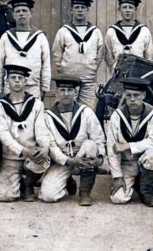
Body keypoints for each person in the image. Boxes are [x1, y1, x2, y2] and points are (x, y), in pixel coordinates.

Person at [38, 75, 105, 206]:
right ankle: (67, 180)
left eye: (70, 90)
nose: (66, 94)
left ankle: (85, 192)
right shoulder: (48, 116)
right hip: (62, 160)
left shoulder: (86, 112)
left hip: (82, 157)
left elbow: (99, 139)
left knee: (90, 145)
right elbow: (51, 145)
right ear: (57, 92)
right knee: (48, 196)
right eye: (62, 90)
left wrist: (100, 158)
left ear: (76, 92)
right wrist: (68, 161)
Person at [0, 64, 49, 202]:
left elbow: (41, 130)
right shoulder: (0, 107)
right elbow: (4, 136)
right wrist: (23, 151)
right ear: (7, 82)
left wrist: (44, 147)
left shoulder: (36, 104)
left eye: (20, 78)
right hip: (11, 157)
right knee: (5, 196)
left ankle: (28, 185)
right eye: (13, 78)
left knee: (43, 160)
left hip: (32, 154)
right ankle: (15, 181)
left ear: (25, 81)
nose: (17, 81)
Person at [106, 77, 153, 207]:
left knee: (152, 154)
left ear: (143, 95)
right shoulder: (117, 116)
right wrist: (117, 176)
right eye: (128, 95)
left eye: (136, 95)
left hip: (146, 160)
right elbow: (111, 148)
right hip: (127, 164)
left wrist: (128, 146)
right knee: (118, 198)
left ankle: (146, 192)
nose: (132, 99)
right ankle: (135, 182)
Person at [0, 0, 51, 100]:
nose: (21, 14)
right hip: (10, 87)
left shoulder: (40, 37)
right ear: (13, 15)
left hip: (32, 86)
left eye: (24, 11)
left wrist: (44, 88)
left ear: (30, 13)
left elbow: (46, 64)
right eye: (18, 11)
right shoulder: (6, 37)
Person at [51, 0, 104, 109]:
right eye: (77, 7)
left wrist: (93, 68)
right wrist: (63, 70)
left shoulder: (95, 32)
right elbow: (57, 53)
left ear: (87, 10)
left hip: (88, 81)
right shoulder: (63, 31)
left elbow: (100, 54)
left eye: (83, 7)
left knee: (88, 111)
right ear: (71, 10)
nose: (80, 10)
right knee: (66, 110)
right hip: (68, 81)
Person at [104, 0, 153, 74]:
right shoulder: (111, 31)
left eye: (131, 7)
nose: (128, 10)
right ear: (119, 9)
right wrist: (114, 70)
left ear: (135, 9)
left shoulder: (144, 30)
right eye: (124, 7)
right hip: (118, 73)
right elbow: (108, 57)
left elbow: (149, 55)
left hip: (138, 73)